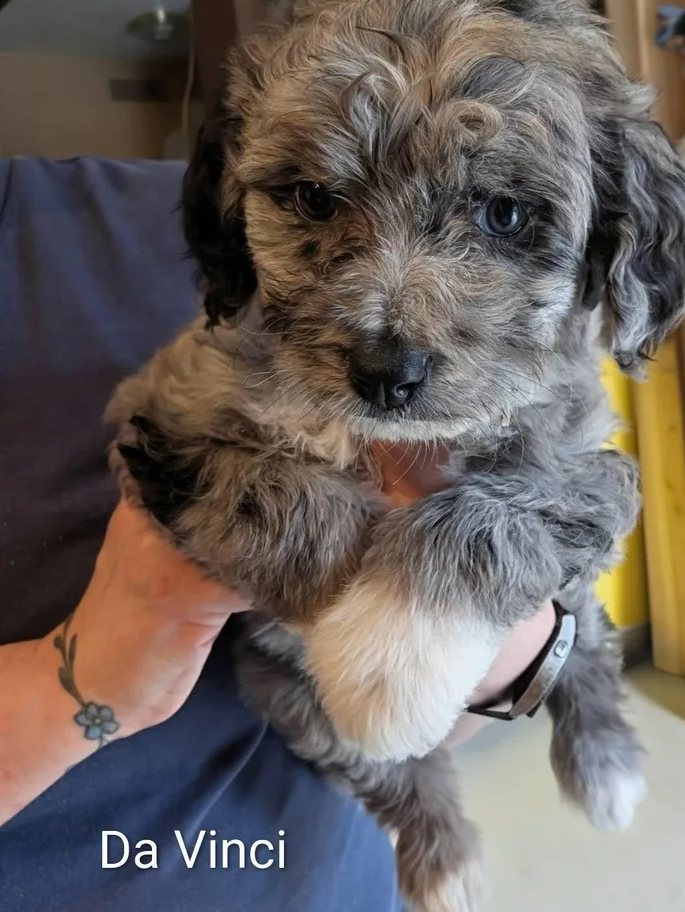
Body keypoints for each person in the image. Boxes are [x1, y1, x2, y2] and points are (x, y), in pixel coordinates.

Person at [0, 156, 554, 911]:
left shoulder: (222, 175)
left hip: (330, 865)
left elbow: (410, 715)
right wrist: (77, 679)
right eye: (318, 203)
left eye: (501, 215)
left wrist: (517, 653)